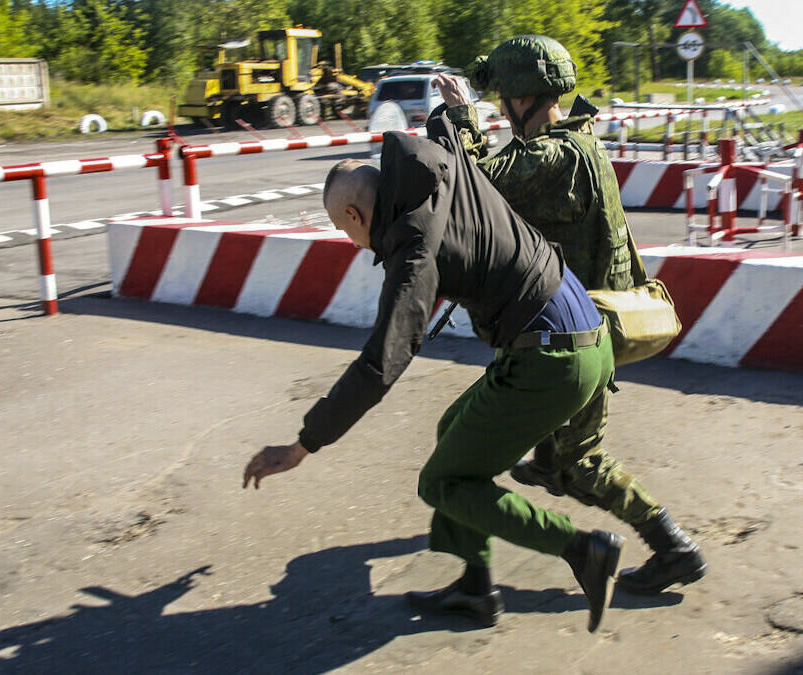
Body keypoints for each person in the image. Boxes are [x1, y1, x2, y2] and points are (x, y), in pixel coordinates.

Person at [242, 105, 625, 633]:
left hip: (553, 357)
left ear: (355, 217)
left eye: (341, 229)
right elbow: (448, 126)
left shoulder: (414, 249)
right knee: (453, 432)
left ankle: (581, 549)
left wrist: (302, 445)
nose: (349, 242)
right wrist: (451, 104)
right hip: (580, 335)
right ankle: (475, 588)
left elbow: (380, 365)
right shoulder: (439, 163)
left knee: (442, 482)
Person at [433, 35, 705, 596]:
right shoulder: (579, 143)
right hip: (577, 329)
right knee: (548, 456)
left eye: (502, 97)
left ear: (520, 98)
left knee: (580, 464)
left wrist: (461, 117)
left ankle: (672, 546)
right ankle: (500, 524)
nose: (500, 109)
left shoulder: (554, 157)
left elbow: (473, 188)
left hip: (576, 338)